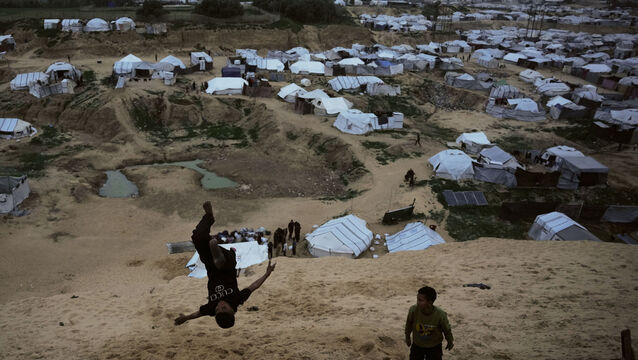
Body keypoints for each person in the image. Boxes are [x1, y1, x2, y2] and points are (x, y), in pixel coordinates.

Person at [174, 201, 276, 328]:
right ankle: (219, 256)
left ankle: (209, 217)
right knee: (221, 262)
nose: (219, 306)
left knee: (198, 236)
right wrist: (267, 273)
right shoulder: (237, 299)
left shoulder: (210, 308)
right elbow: (254, 286)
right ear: (232, 310)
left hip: (210, 264)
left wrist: (186, 318)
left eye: (217, 310)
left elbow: (198, 314)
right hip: (228, 262)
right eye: (224, 308)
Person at [405, 286, 454, 360]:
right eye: (417, 299)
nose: (417, 302)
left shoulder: (440, 315)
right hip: (417, 345)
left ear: (430, 302)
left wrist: (450, 341)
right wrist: (407, 337)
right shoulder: (413, 310)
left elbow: (447, 329)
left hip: (434, 346)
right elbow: (408, 324)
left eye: (420, 300)